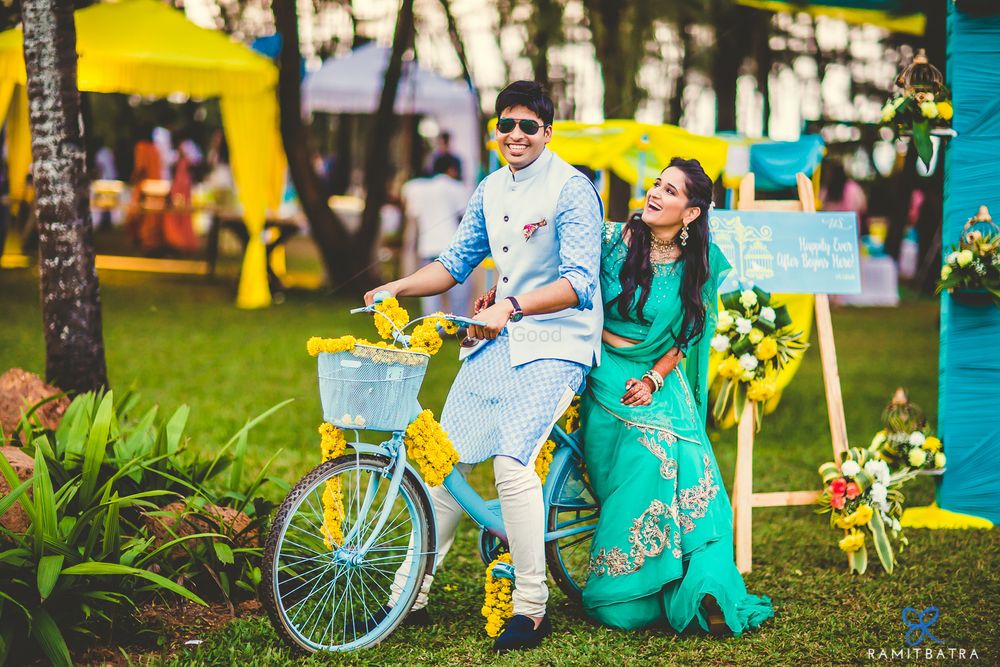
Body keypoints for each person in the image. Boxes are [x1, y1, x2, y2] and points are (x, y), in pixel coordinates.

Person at [362, 81, 604, 653]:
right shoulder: (491, 187)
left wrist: (510, 305)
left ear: (547, 132)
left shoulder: (573, 190)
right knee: (443, 460)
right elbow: (452, 263)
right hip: (498, 335)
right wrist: (394, 286)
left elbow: (580, 283)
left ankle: (530, 606)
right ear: (496, 130)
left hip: (558, 342)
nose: (515, 135)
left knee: (510, 463)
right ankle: (408, 593)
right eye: (506, 124)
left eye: (528, 126)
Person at [578, 158, 774, 635]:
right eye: (656, 185)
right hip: (604, 369)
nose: (655, 194)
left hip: (657, 376)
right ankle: (646, 587)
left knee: (685, 457)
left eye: (669, 190)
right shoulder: (610, 241)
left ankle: (701, 586)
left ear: (690, 213)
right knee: (649, 454)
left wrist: (655, 379)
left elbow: (686, 336)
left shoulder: (697, 264)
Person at [401, 154, 473, 316]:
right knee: (459, 290)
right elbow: (466, 217)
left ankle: (432, 328)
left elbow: (413, 215)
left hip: (427, 246)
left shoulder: (417, 188)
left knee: (429, 293)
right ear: (452, 169)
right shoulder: (457, 188)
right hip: (454, 246)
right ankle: (459, 325)